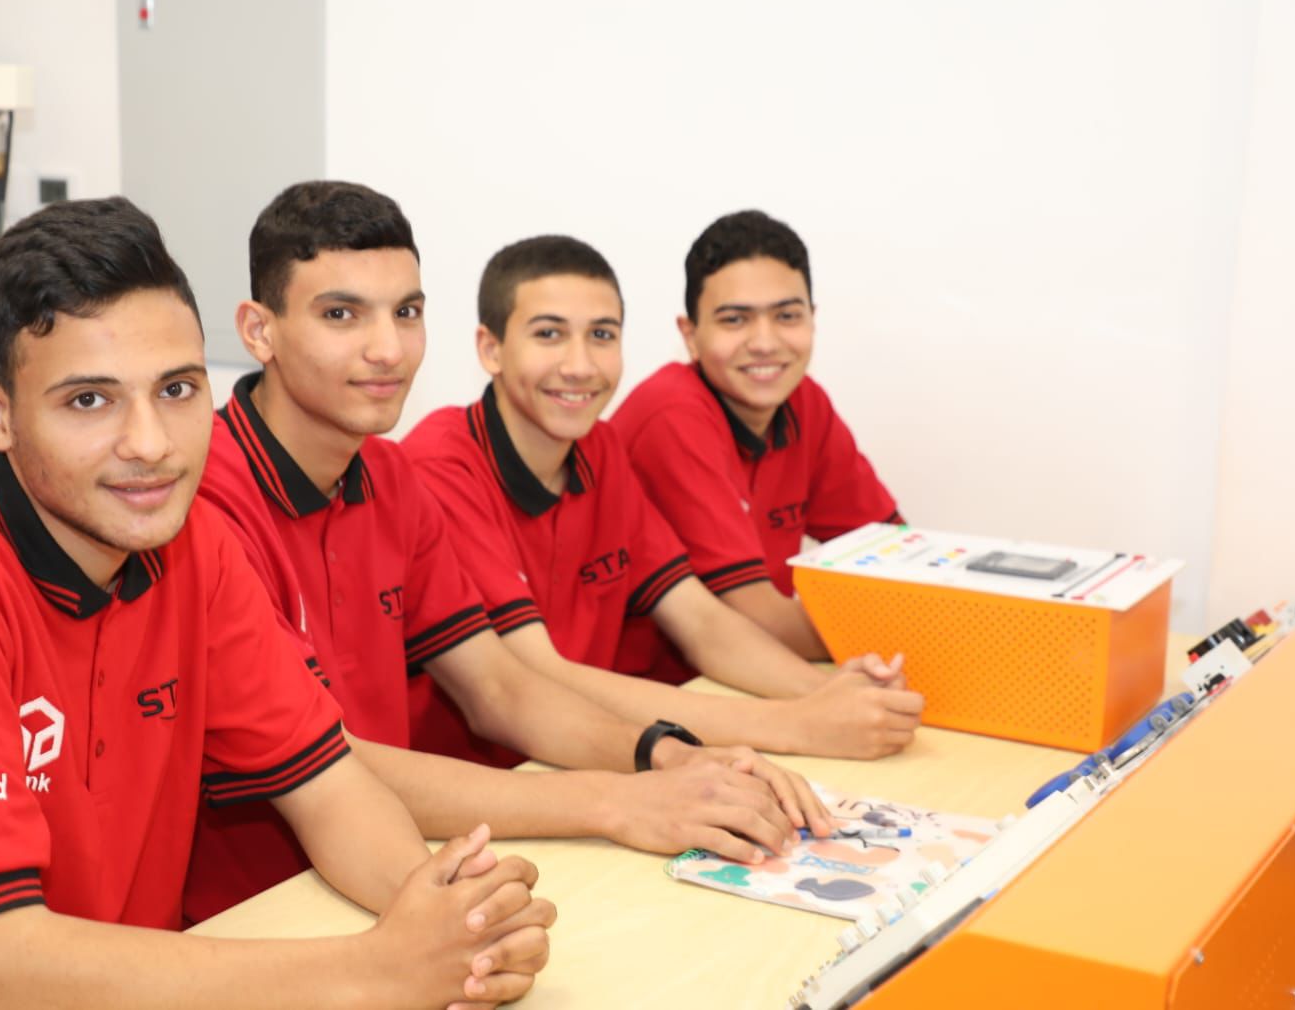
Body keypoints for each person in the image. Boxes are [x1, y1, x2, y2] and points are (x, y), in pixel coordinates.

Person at [0, 197, 551, 1009]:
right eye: (89, 401)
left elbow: (329, 787)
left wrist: (451, 928)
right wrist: (379, 969)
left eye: (177, 389)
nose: (152, 444)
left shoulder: (195, 549)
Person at [186, 181, 831, 922]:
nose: (387, 348)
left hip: (409, 859)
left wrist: (669, 753)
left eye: (407, 313)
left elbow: (499, 688)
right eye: (341, 315)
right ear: (259, 331)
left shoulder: (390, 477)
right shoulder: (204, 501)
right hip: (251, 912)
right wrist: (618, 800)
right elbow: (326, 765)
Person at [402, 234, 925, 764]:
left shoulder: (599, 448)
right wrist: (796, 724)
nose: (579, 365)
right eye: (549, 334)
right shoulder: (441, 465)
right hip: (480, 781)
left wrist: (829, 696)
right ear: (490, 349)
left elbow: (700, 620)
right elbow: (538, 675)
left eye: (601, 335)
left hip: (590, 756)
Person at [612, 210, 902, 663]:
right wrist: (906, 635)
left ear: (812, 319)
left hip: (749, 677)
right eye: (735, 320)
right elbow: (754, 619)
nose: (765, 342)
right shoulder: (671, 415)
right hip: (658, 688)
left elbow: (898, 556)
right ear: (690, 335)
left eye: (787, 315)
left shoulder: (805, 402)